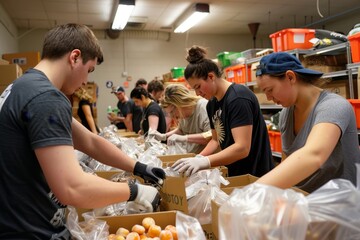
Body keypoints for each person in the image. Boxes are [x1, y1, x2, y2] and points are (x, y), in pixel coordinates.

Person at [0, 23, 165, 239]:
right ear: (75, 57)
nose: (85, 81)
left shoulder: (23, 87)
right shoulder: (45, 97)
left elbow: (89, 141)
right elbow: (72, 187)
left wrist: (139, 166)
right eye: (89, 70)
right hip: (30, 231)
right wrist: (135, 191)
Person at [254, 52, 360, 193]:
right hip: (303, 201)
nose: (268, 97)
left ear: (290, 77)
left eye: (270, 90)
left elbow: (314, 155)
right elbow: (287, 163)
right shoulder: (287, 113)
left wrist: (253, 190)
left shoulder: (334, 106)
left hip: (339, 204)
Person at [172, 45, 274, 177]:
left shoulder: (238, 98)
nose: (197, 94)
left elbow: (242, 148)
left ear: (211, 76)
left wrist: (206, 161)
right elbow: (215, 140)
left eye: (198, 87)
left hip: (255, 176)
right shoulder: (212, 105)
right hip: (234, 173)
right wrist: (198, 158)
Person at [150, 84, 212, 154]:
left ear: (180, 103)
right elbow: (181, 130)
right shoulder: (183, 113)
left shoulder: (203, 108)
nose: (172, 116)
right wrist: (164, 136)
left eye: (172, 111)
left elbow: (210, 136)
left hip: (209, 158)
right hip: (194, 156)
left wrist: (185, 138)